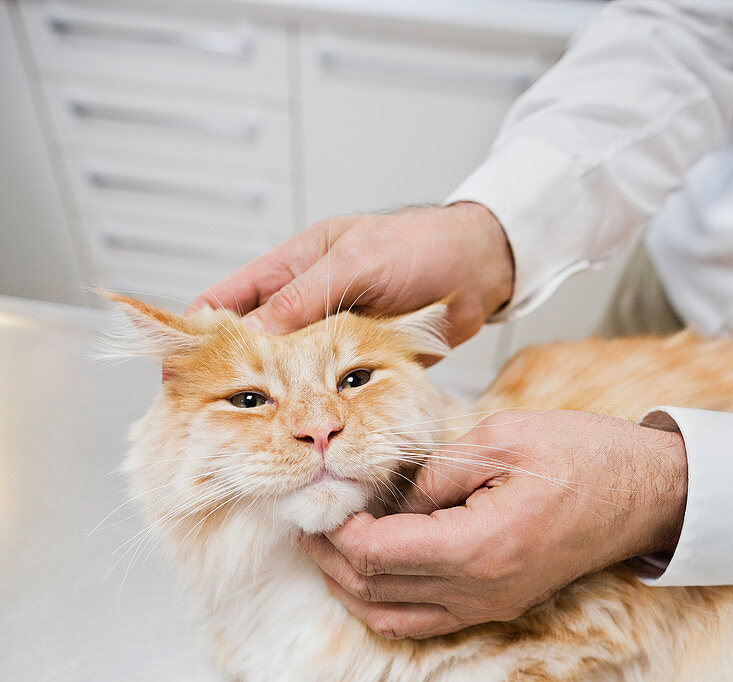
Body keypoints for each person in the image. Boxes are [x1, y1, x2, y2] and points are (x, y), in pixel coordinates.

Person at [190, 0, 733, 640]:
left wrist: (668, 491)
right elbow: (692, 30)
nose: (316, 426)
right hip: (695, 270)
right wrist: (490, 233)